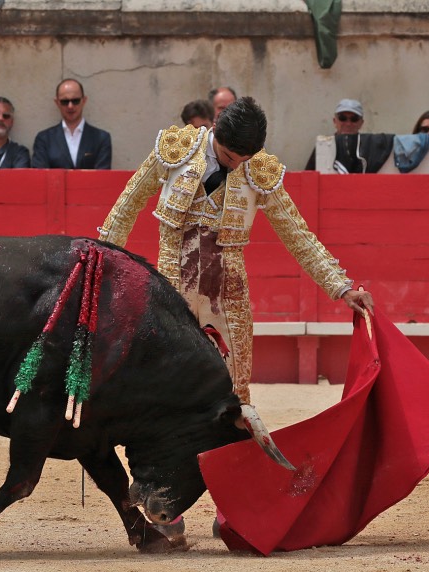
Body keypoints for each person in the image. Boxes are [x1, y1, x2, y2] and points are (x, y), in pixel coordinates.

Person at [98, 96, 373, 405]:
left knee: (233, 393)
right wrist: (101, 261)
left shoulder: (258, 170)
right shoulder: (177, 148)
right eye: (230, 157)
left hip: (228, 295)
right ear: (215, 129)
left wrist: (341, 286)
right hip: (171, 289)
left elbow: (297, 234)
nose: (236, 165)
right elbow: (128, 202)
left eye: (244, 159)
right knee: (166, 385)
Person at [32, 79, 112, 170]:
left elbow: (102, 178)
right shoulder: (44, 140)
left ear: (84, 101)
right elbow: (41, 177)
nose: (70, 106)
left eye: (75, 100)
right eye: (65, 102)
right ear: (57, 103)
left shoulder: (101, 138)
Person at [304, 98, 365, 170]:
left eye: (354, 119)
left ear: (361, 123)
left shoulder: (367, 147)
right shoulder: (324, 145)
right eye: (342, 118)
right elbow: (309, 175)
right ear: (335, 121)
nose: (348, 123)